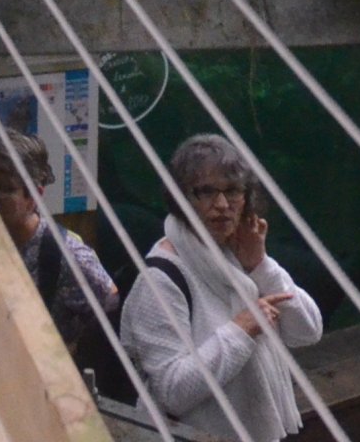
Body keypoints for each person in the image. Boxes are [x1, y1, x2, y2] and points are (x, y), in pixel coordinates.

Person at [117, 134, 323, 440]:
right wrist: (241, 330)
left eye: (233, 191)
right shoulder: (160, 279)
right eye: (206, 192)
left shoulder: (237, 253)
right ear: (181, 198)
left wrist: (260, 265)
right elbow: (172, 391)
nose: (222, 204)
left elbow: (307, 331)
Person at [0, 133, 129, 398]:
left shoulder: (67, 255)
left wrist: (72, 352)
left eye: (4, 188)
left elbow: (111, 304)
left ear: (34, 194)